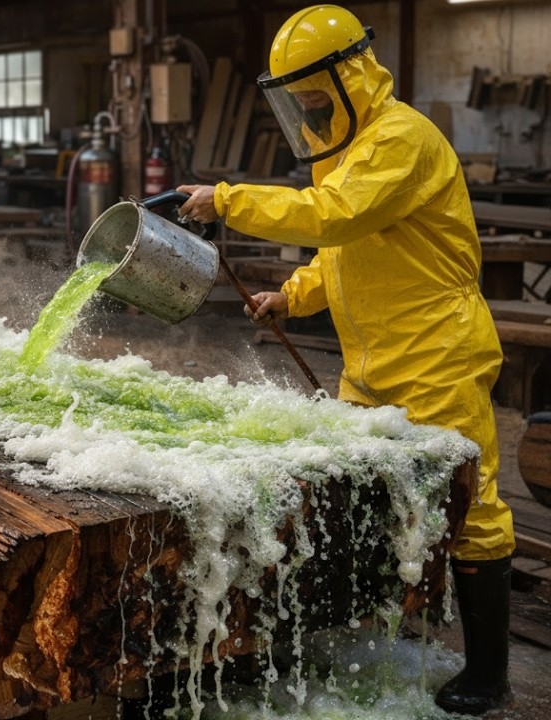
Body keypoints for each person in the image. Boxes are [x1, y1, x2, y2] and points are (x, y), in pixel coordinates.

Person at [176, 5, 514, 715]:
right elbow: (347, 251)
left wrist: (229, 200)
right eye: (299, 105)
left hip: (437, 356)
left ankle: (489, 672)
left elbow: (335, 215)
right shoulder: (348, 145)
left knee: (471, 506)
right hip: (372, 361)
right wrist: (293, 297)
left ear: (353, 76)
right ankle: (373, 625)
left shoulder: (400, 138)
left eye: (317, 100)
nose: (310, 114)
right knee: (359, 492)